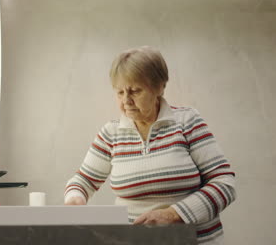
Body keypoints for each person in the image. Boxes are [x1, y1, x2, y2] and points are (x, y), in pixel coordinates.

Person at [64, 46, 236, 245]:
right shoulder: (111, 134)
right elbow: (83, 180)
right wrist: (75, 199)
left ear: (159, 87)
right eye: (119, 92)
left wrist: (174, 214)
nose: (126, 101)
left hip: (194, 240)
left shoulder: (187, 122)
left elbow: (224, 183)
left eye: (135, 91)